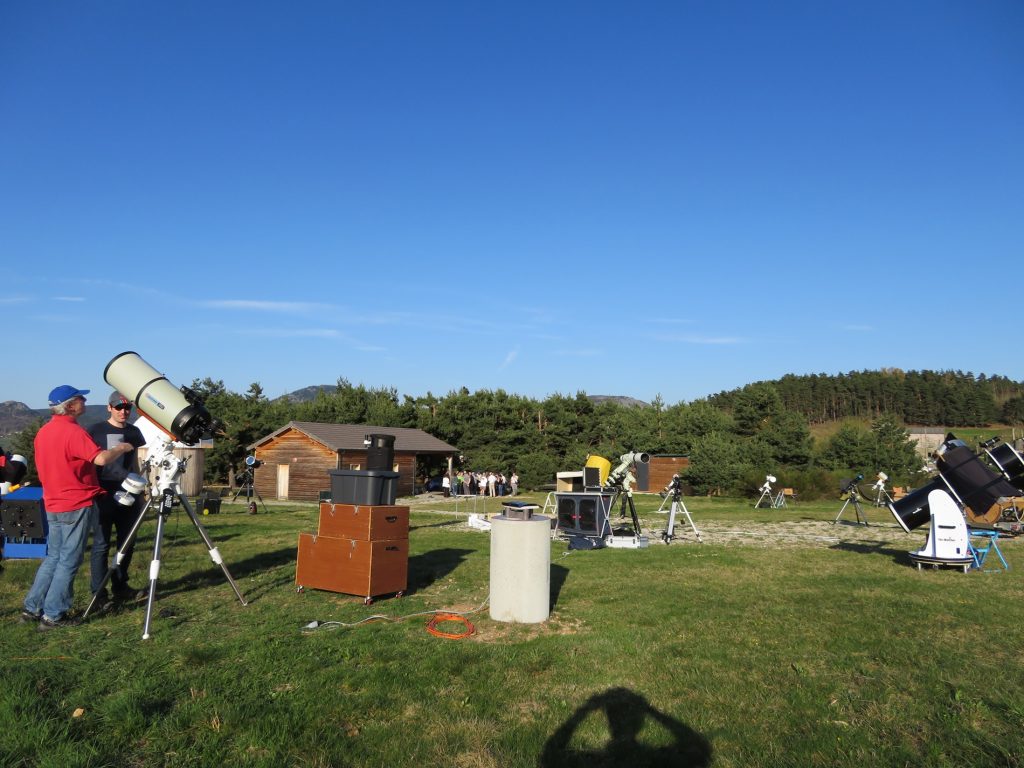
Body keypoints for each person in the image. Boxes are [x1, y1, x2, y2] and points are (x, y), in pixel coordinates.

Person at [22, 385, 135, 630]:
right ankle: (54, 615)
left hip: (53, 501)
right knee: (69, 561)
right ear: (71, 405)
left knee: (53, 557)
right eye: (80, 398)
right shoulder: (73, 432)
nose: (84, 401)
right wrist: (121, 448)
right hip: (75, 502)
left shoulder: (44, 432)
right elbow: (101, 459)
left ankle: (32, 608)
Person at [87, 391, 148, 603]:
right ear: (109, 408)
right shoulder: (95, 430)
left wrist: (141, 488)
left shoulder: (134, 432)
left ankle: (120, 587)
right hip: (103, 493)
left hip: (129, 491)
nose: (123, 411)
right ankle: (99, 593)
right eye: (118, 407)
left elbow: (135, 463)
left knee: (127, 543)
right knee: (102, 545)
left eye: (127, 408)